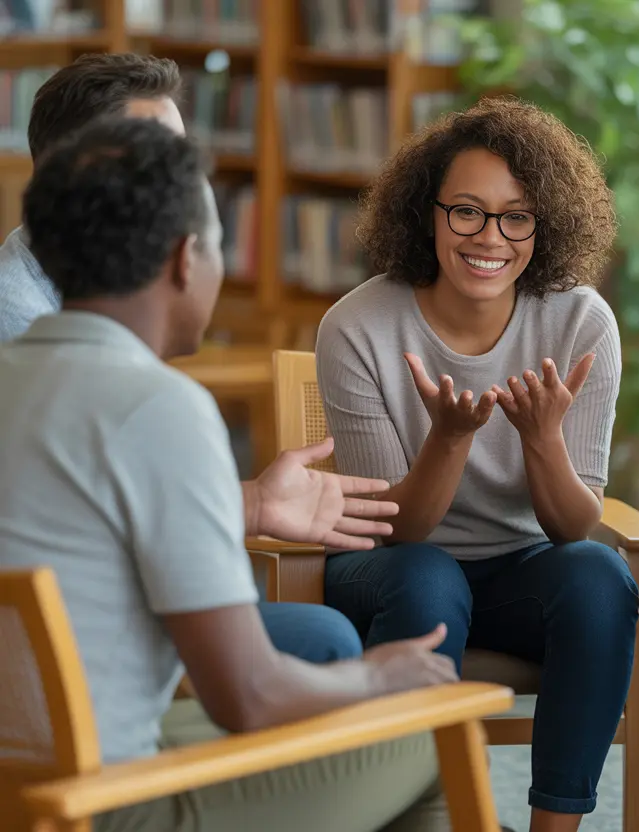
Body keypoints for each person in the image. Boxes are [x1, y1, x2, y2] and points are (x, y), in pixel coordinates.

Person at [0, 115, 463, 832]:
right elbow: (246, 696)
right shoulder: (158, 407)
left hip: (19, 788)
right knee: (429, 731)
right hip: (101, 804)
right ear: (187, 259)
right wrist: (378, 676)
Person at [315, 96, 634, 832]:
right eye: (466, 211)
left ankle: (554, 826)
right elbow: (398, 529)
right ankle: (422, 813)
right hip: (392, 566)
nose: (490, 237)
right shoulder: (358, 327)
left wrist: (543, 438)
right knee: (429, 579)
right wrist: (449, 439)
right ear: (426, 215)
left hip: (520, 565)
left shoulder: (581, 322)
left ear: (542, 225)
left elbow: (574, 525)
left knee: (599, 578)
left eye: (515, 216)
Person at [0, 52, 376, 664]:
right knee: (332, 646)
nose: (177, 180)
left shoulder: (81, 315)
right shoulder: (29, 334)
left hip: (59, 654)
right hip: (80, 649)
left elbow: (97, 502)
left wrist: (250, 502)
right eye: (159, 157)